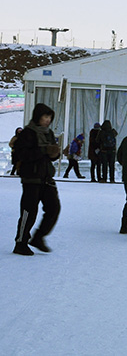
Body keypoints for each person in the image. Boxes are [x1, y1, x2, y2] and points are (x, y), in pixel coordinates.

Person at [13, 103, 62, 256]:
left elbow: (50, 156)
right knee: (28, 212)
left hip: (47, 178)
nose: (48, 120)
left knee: (54, 208)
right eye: (45, 117)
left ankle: (38, 237)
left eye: (50, 117)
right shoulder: (27, 133)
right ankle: (20, 243)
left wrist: (55, 154)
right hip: (31, 178)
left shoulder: (49, 133)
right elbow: (22, 155)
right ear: (37, 117)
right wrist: (44, 150)